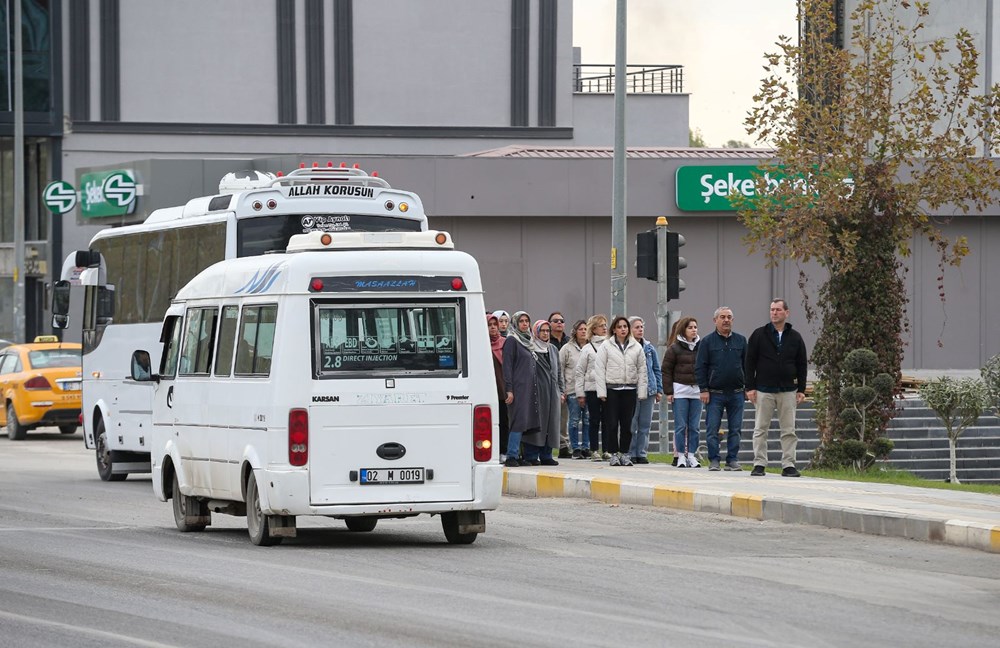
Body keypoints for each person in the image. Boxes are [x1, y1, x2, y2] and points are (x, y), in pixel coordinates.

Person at [745, 299, 809, 478]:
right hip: (763, 389)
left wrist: (801, 389)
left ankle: (788, 464)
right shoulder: (759, 334)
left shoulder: (795, 337)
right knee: (760, 428)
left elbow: (802, 363)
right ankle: (759, 463)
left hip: (788, 390)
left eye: (778, 310)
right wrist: (750, 387)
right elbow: (749, 362)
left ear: (786, 313)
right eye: (772, 310)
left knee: (789, 429)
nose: (774, 313)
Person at [695, 306, 747, 472]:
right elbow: (700, 367)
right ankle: (714, 460)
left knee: (736, 429)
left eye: (729, 317)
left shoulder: (741, 340)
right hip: (714, 394)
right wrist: (703, 389)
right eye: (722, 317)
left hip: (737, 393)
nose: (726, 320)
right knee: (712, 429)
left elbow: (747, 365)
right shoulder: (707, 342)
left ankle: (732, 460)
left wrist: (748, 387)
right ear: (715, 320)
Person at [595, 315, 648, 467]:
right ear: (614, 329)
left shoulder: (636, 347)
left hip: (629, 389)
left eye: (625, 326)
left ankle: (625, 454)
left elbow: (642, 370)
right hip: (612, 389)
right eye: (619, 327)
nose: (623, 329)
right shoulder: (606, 346)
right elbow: (599, 369)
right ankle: (613, 454)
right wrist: (602, 392)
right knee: (611, 423)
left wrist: (642, 391)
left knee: (627, 425)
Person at [662, 317, 703, 468]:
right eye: (690, 327)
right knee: (680, 426)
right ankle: (680, 455)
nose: (694, 330)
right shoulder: (674, 349)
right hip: (680, 391)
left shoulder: (701, 347)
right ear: (683, 330)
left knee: (694, 426)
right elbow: (666, 370)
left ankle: (691, 455)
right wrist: (669, 391)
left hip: (697, 392)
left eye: (695, 327)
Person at [521, 320, 563, 466]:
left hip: (553, 393)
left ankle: (546, 454)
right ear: (536, 332)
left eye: (547, 331)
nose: (545, 334)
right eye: (542, 331)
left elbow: (558, 372)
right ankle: (531, 455)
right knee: (536, 424)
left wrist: (561, 391)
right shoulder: (530, 348)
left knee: (551, 424)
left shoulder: (552, 349)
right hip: (536, 393)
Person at [502, 311, 540, 467]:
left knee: (526, 421)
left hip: (529, 388)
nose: (525, 324)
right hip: (518, 388)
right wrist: (509, 389)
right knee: (518, 420)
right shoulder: (512, 340)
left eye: (527, 321)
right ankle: (511, 455)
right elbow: (507, 366)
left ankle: (521, 455)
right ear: (515, 323)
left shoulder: (528, 341)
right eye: (521, 321)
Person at [628, 316, 662, 464]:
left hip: (649, 390)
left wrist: (658, 389)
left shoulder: (649, 347)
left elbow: (656, 369)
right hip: (633, 390)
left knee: (645, 424)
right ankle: (631, 452)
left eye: (641, 327)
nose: (640, 329)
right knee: (632, 423)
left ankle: (641, 453)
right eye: (636, 327)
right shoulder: (627, 347)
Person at [574, 314, 608, 460]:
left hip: (608, 387)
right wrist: (580, 393)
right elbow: (580, 371)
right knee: (594, 419)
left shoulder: (610, 345)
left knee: (608, 420)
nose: (605, 328)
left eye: (606, 325)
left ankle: (607, 449)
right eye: (601, 326)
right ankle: (594, 449)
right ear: (594, 329)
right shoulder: (587, 348)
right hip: (592, 388)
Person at [560, 319, 590, 459]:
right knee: (573, 420)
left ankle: (586, 446)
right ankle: (575, 447)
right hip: (572, 389)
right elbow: (560, 369)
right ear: (575, 332)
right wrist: (562, 389)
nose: (583, 331)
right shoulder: (567, 348)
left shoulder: (592, 347)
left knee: (587, 419)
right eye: (581, 329)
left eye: (585, 329)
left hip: (589, 388)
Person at [548, 311, 572, 458]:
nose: (559, 323)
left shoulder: (569, 342)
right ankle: (548, 446)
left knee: (564, 418)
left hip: (567, 385)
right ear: (549, 324)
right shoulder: (546, 341)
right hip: (550, 384)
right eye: (555, 321)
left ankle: (564, 446)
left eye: (562, 321)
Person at [487, 314, 510, 462]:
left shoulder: (505, 343)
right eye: (490, 324)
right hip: (488, 389)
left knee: (504, 422)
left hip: (503, 389)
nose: (494, 327)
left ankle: (504, 451)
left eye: (495, 324)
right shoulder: (481, 344)